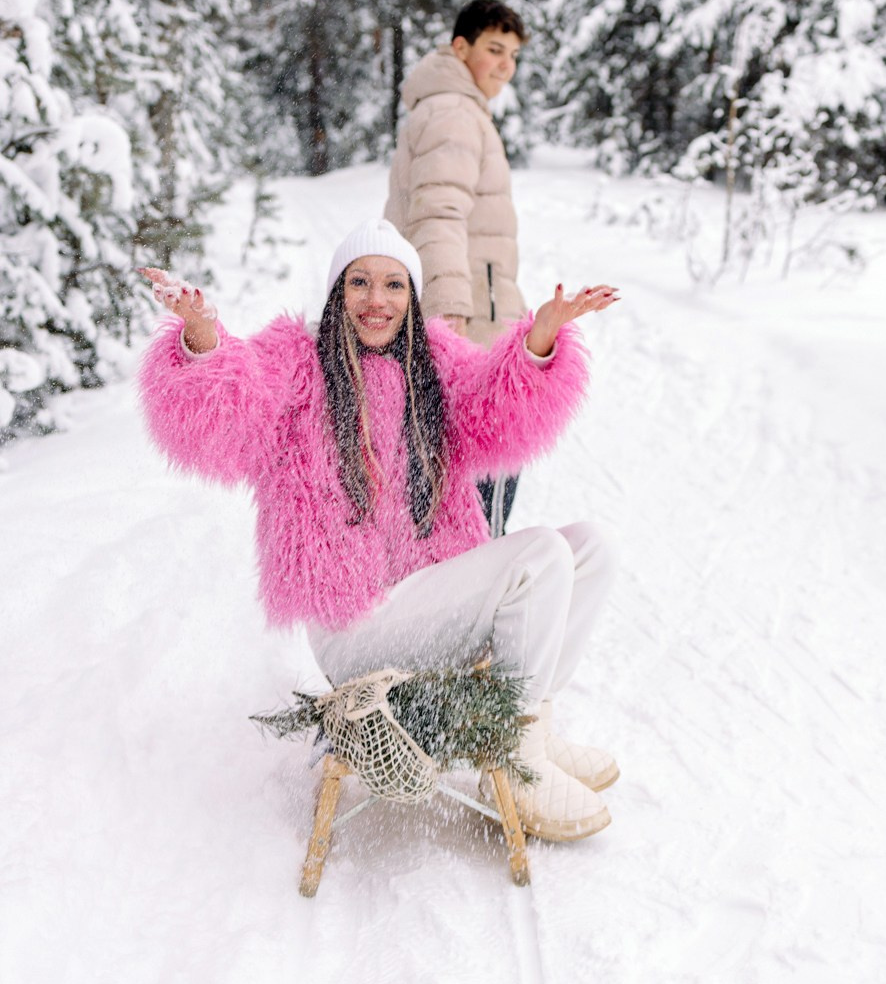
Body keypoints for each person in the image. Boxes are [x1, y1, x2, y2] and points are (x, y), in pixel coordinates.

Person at [139, 219, 621, 843]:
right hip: (356, 629)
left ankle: (534, 725)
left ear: (412, 299)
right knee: (540, 555)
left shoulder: (435, 364)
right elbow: (237, 405)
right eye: (359, 282)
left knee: (591, 546)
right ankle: (512, 750)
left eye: (394, 285)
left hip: (431, 606)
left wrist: (542, 338)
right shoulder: (299, 362)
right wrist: (202, 334)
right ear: (338, 291)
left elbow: (498, 408)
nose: (376, 300)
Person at [384, 0, 527, 532]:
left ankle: (458, 593)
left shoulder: (455, 109)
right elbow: (438, 213)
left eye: (513, 55)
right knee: (482, 475)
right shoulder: (453, 112)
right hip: (467, 334)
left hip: (475, 321)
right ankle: (479, 596)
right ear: (459, 47)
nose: (505, 65)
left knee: (448, 480)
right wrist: (448, 315)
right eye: (494, 49)